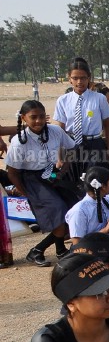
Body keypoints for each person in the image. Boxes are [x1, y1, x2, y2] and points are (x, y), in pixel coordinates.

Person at [5, 100, 75, 266]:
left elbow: (72, 148)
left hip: (52, 174)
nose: (38, 121)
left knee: (72, 208)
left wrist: (64, 167)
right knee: (58, 210)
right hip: (32, 180)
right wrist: (26, 193)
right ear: (23, 118)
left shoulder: (55, 131)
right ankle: (38, 250)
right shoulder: (18, 141)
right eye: (33, 117)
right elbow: (12, 173)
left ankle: (59, 250)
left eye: (42, 116)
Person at [52, 57, 109, 182]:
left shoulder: (99, 98)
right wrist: (59, 157)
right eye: (75, 78)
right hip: (71, 145)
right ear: (69, 79)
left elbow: (107, 125)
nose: (79, 82)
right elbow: (60, 130)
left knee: (94, 181)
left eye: (83, 78)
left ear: (89, 78)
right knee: (72, 180)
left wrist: (108, 149)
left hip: (94, 145)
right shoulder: (63, 100)